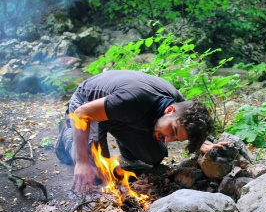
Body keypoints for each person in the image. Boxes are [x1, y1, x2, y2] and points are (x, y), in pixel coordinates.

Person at [55, 70, 223, 194]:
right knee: (96, 172)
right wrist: (82, 161)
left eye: (176, 139)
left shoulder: (180, 107)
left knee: (154, 156)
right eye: (172, 131)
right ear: (169, 110)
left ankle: (124, 143)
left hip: (119, 114)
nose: (167, 139)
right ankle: (66, 136)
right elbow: (82, 114)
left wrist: (201, 141)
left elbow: (192, 118)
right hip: (87, 105)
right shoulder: (131, 100)